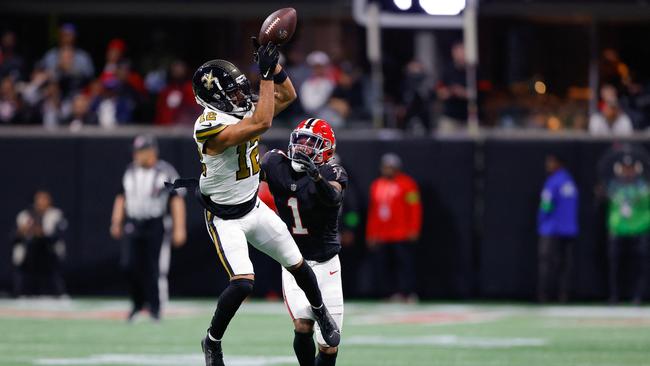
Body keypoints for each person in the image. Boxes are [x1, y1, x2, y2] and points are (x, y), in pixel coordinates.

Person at [170, 39, 340, 366]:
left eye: (239, 89)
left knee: (299, 265)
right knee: (244, 282)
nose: (239, 96)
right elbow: (262, 122)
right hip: (225, 217)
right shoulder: (208, 127)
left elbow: (289, 95)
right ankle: (212, 340)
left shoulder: (240, 107)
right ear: (213, 98)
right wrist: (264, 76)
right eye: (231, 92)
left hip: (252, 206)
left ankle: (322, 314)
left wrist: (274, 66)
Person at [261, 118, 346, 366]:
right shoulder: (275, 163)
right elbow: (245, 176)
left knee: (329, 346)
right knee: (302, 324)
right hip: (295, 260)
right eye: (299, 140)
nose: (302, 148)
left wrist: (316, 177)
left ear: (326, 149)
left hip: (326, 262)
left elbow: (333, 198)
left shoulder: (333, 172)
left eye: (311, 143)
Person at [110, 135, 187, 321]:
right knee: (128, 264)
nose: (136, 155)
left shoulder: (165, 171)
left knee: (152, 266)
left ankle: (155, 307)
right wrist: (116, 220)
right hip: (133, 222)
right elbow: (121, 196)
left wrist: (179, 227)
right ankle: (137, 304)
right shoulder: (130, 170)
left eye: (141, 151)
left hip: (155, 223)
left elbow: (176, 199)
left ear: (152, 151)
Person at [365, 153, 422, 301]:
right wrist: (371, 233)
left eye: (390, 167)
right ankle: (388, 293)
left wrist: (413, 229)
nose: (387, 170)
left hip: (401, 233)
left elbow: (414, 208)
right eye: (385, 167)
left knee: (404, 265)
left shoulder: (408, 184)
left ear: (397, 168)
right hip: (382, 234)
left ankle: (407, 293)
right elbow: (373, 211)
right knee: (384, 266)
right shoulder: (377, 185)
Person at [605, 154, 650, 304]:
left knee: (639, 266)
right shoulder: (614, 186)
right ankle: (615, 296)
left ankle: (638, 296)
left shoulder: (643, 187)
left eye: (630, 168)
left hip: (639, 229)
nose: (627, 171)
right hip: (618, 229)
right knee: (615, 266)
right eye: (625, 168)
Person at [537, 154, 579, 303]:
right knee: (565, 266)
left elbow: (546, 206)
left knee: (547, 264)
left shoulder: (553, 182)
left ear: (558, 163)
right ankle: (563, 296)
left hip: (552, 229)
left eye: (551, 162)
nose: (548, 165)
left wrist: (541, 223)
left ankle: (544, 296)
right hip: (569, 229)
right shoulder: (570, 181)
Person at [12, 190, 67, 297]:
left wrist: (41, 233)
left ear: (49, 201)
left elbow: (60, 235)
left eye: (44, 199)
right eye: (39, 199)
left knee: (55, 290)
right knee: (24, 291)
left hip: (49, 257)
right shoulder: (24, 215)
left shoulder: (56, 215)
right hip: (28, 259)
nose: (41, 202)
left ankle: (58, 293)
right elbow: (13, 238)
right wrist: (21, 232)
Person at [436, 41, 468, 132]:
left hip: (469, 116)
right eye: (457, 51)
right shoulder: (447, 70)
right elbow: (439, 89)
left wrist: (465, 93)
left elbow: (485, 89)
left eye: (462, 51)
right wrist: (449, 92)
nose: (460, 54)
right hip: (451, 116)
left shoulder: (474, 71)